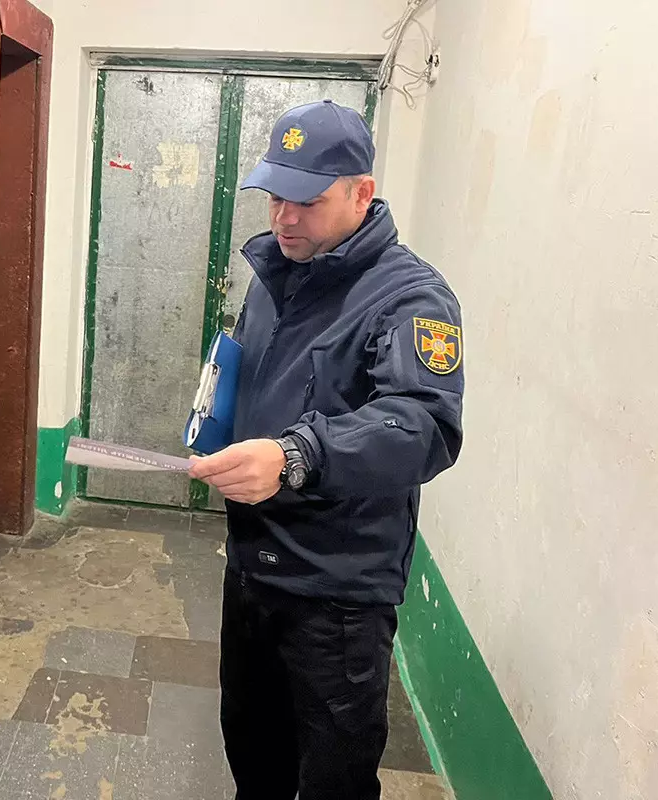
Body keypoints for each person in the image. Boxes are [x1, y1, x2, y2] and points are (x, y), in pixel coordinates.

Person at [189, 100, 465, 798]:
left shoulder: (411, 298)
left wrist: (297, 454)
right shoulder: (275, 275)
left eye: (306, 201)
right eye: (274, 196)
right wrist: (214, 425)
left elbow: (424, 424)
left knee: (333, 782)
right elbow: (253, 377)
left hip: (335, 598)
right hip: (252, 570)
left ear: (361, 193)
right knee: (253, 761)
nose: (284, 218)